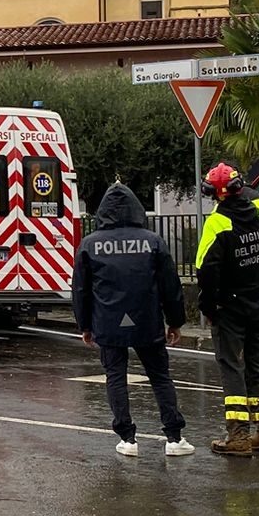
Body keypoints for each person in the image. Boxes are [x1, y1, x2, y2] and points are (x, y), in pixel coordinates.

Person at [72, 183, 192, 458]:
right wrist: (175, 321)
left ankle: (127, 439)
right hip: (147, 321)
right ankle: (174, 438)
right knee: (160, 377)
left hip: (108, 322)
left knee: (115, 377)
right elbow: (170, 286)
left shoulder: (90, 244)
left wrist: (85, 325)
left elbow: (80, 288)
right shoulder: (152, 241)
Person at [194, 163, 259, 457]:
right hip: (258, 304)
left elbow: (204, 270)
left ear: (214, 194)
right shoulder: (258, 211)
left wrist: (209, 308)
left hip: (229, 308)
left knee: (233, 368)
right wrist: (237, 186)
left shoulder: (217, 224)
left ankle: (239, 438)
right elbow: (256, 196)